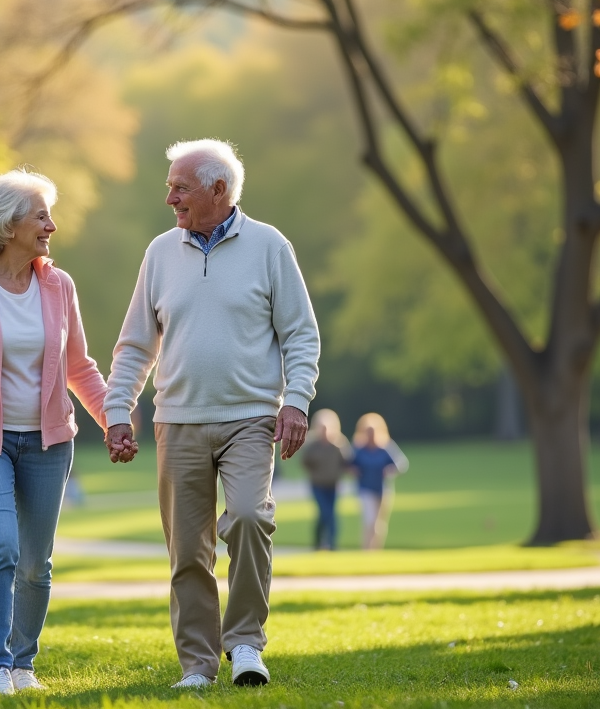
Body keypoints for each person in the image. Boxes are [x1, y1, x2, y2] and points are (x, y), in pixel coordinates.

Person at [104, 139, 321, 689]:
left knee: (250, 517)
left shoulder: (269, 246)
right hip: (176, 420)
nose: (169, 197)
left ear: (218, 190)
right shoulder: (159, 253)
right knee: (188, 550)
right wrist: (118, 411)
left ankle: (245, 644)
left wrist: (296, 401)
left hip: (251, 417)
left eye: (180, 187)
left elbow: (300, 334)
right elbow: (135, 345)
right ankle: (197, 666)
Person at [0, 169, 131, 696]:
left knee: (36, 563)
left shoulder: (58, 285)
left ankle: (22, 664)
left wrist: (116, 421)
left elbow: (80, 366)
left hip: (48, 440)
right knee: (1, 546)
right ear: (8, 223)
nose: (51, 227)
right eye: (41, 216)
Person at [349, 413, 409, 550]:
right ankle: (366, 549)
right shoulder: (359, 449)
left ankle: (376, 549)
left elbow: (402, 464)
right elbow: (349, 464)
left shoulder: (385, 447)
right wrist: (353, 470)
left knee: (379, 523)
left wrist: (390, 470)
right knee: (369, 520)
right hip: (365, 488)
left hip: (382, 489)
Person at [298, 409, 352, 551]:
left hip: (333, 484)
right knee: (324, 512)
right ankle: (319, 542)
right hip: (317, 484)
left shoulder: (339, 443)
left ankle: (332, 544)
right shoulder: (311, 445)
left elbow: (346, 461)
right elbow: (304, 462)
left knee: (331, 514)